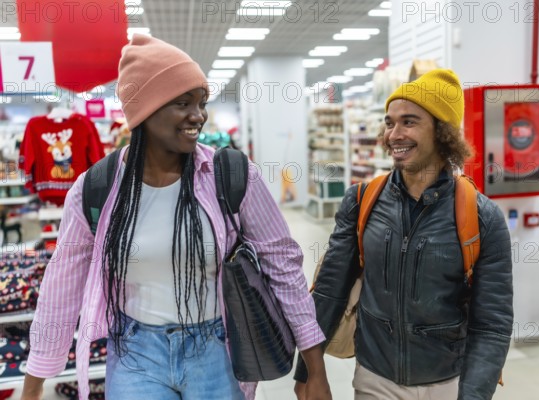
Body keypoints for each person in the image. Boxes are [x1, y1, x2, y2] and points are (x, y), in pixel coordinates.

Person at [21, 34, 332, 400]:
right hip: (135, 354)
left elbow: (283, 266)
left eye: (201, 102)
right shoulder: (97, 190)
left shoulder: (231, 175)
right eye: (183, 103)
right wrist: (33, 385)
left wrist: (314, 368)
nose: (198, 116)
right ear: (144, 111)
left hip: (217, 350)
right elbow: (61, 287)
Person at [294, 69, 513, 400]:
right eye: (389, 122)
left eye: (409, 122)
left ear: (442, 132)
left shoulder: (482, 218)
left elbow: (492, 323)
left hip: (447, 381)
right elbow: (329, 291)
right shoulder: (362, 201)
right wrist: (309, 371)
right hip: (374, 378)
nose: (394, 134)